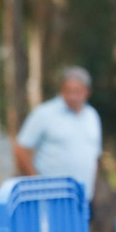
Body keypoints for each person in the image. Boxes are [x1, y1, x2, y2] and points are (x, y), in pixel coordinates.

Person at [15, 66, 103, 200]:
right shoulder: (44, 113)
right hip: (51, 197)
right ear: (62, 90)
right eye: (68, 91)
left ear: (87, 92)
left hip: (83, 198)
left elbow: (95, 156)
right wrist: (37, 183)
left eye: (77, 91)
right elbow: (21, 150)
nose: (72, 96)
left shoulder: (92, 116)